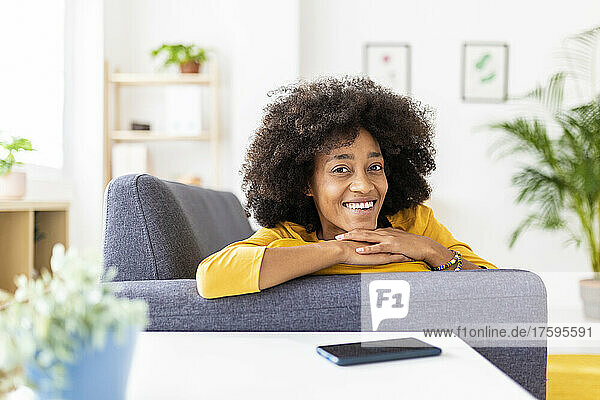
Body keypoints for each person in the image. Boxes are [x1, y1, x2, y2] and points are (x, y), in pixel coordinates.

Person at [196, 77, 497, 299]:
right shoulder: (288, 236)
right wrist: (340, 250)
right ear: (306, 183)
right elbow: (212, 277)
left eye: (375, 167)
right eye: (341, 170)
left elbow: (503, 289)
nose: (364, 185)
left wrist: (428, 250)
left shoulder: (415, 223)